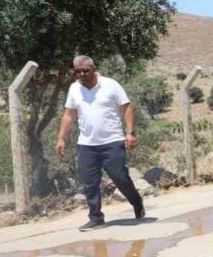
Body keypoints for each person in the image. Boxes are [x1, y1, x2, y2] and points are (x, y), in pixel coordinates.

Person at [55, 55, 145, 231]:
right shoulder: (74, 89)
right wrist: (61, 138)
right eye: (78, 71)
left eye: (86, 70)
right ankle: (96, 218)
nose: (82, 74)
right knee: (89, 182)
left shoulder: (110, 85)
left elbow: (127, 107)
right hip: (87, 144)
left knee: (120, 177)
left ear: (94, 69)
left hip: (112, 141)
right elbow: (69, 114)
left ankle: (136, 201)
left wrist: (130, 133)